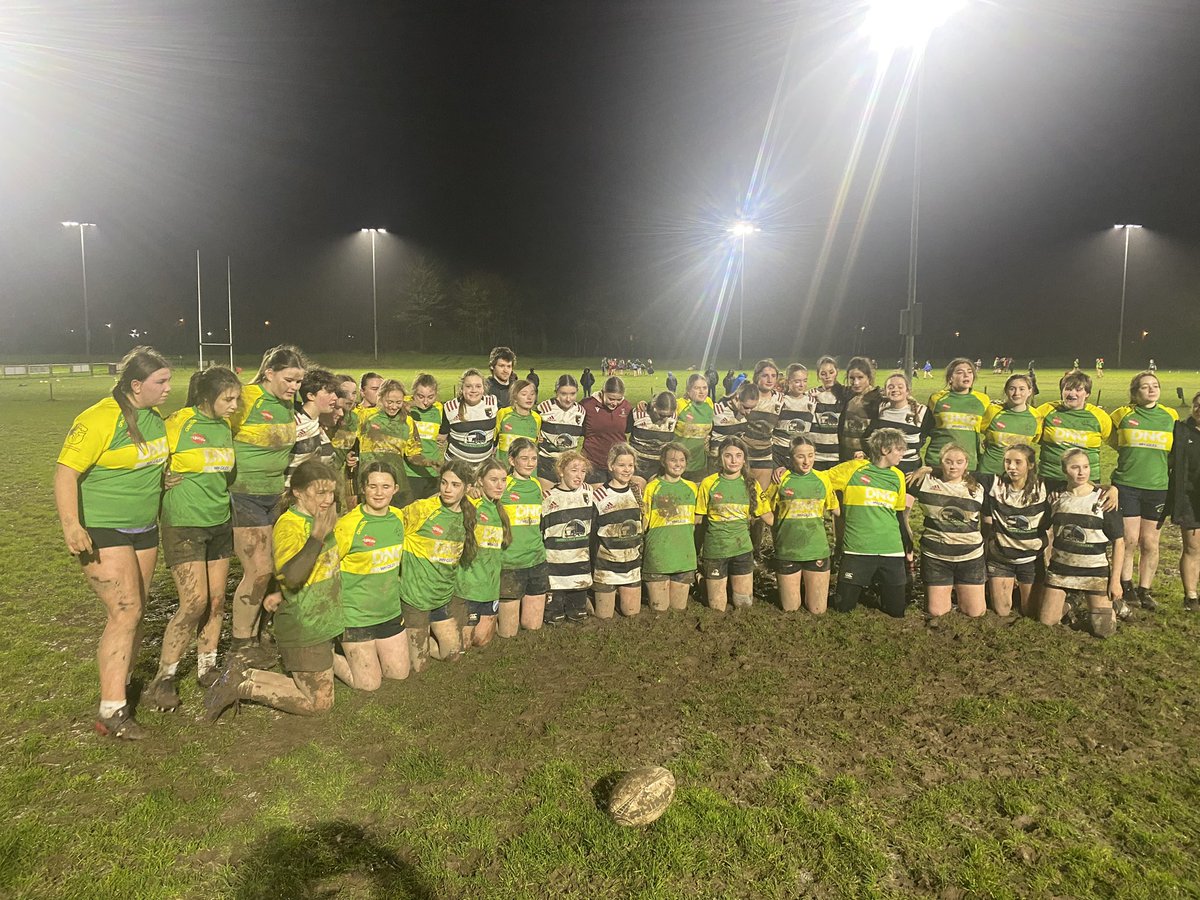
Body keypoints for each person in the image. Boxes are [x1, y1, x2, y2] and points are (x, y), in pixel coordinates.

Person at [56, 347, 171, 738]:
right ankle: (111, 710)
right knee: (125, 611)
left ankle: (119, 685)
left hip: (144, 528)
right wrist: (72, 525)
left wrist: (164, 479)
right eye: (161, 382)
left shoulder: (155, 419)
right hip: (103, 528)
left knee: (136, 611)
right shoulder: (99, 418)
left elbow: (151, 463)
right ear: (136, 385)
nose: (169, 388)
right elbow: (65, 473)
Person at [205, 459, 342, 721]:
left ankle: (241, 675)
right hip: (304, 628)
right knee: (319, 704)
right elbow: (291, 576)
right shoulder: (290, 525)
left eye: (331, 492)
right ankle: (241, 685)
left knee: (319, 694)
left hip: (323, 623)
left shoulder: (323, 520)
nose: (327, 500)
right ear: (298, 492)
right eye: (320, 492)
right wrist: (317, 537)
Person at [142, 366, 240, 712]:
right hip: (184, 524)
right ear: (205, 397)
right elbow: (148, 456)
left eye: (237, 399)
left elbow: (225, 473)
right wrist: (160, 477)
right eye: (228, 399)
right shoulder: (179, 421)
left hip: (219, 522)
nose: (234, 405)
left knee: (216, 602)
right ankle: (164, 677)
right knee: (194, 603)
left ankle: (207, 666)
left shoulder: (225, 426)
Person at [228, 344, 305, 668]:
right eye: (289, 379)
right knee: (258, 571)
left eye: (299, 381)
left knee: (271, 570)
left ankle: (259, 634)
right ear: (269, 373)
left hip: (276, 496)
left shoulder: (288, 404)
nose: (294, 387)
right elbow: (215, 429)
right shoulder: (245, 398)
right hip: (245, 494)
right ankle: (239, 643)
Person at [332, 461, 409, 691]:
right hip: (356, 617)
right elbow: (326, 568)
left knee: (399, 674)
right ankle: (321, 654)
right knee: (369, 684)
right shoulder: (348, 526)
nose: (379, 493)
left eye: (386, 487)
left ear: (395, 489)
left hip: (389, 612)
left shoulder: (399, 517)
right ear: (363, 488)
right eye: (372, 486)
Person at [398, 461, 477, 671]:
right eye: (444, 483)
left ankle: (415, 639)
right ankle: (403, 641)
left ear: (467, 488)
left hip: (441, 598)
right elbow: (391, 525)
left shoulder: (469, 513)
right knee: (419, 666)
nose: (447, 489)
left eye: (455, 485)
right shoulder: (423, 509)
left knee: (452, 655)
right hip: (414, 598)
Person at [1109, 371, 1178, 610]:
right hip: (1127, 486)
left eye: (1155, 386)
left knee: (1149, 542)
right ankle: (1126, 585)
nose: (1151, 390)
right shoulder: (1121, 415)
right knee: (1128, 540)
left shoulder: (1170, 416)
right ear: (1134, 392)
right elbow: (1113, 441)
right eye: (1145, 386)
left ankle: (1145, 590)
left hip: (1158, 488)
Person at [1039, 449, 1125, 638]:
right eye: (1075, 467)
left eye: (1085, 467)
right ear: (1064, 470)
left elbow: (1119, 542)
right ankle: (1072, 601)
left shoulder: (1104, 499)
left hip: (1094, 572)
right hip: (1061, 570)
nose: (1081, 472)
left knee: (1104, 631)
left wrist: (1116, 581)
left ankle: (1114, 604)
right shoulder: (1055, 496)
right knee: (1047, 622)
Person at [827, 428, 912, 618]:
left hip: (891, 549)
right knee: (843, 608)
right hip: (858, 548)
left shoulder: (898, 476)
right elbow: (819, 480)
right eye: (898, 449)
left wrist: (907, 542)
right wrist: (832, 505)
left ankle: (875, 586)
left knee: (896, 611)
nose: (902, 453)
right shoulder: (853, 469)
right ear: (884, 449)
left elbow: (898, 514)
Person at [695, 436, 773, 612]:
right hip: (716, 550)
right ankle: (703, 581)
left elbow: (767, 516)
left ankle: (725, 582)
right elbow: (698, 521)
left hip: (742, 550)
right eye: (728, 455)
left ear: (744, 459)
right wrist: (693, 551)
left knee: (744, 604)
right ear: (720, 458)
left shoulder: (751, 484)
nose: (733, 460)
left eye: (738, 455)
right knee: (717, 608)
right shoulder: (709, 483)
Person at [908, 444, 987, 619]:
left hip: (970, 557)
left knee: (976, 612)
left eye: (959, 462)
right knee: (937, 612)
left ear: (966, 463)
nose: (954, 466)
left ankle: (961, 591)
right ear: (940, 462)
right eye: (948, 461)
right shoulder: (924, 482)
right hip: (936, 556)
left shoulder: (979, 486)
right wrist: (925, 469)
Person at [766, 435, 839, 614]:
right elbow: (762, 507)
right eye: (800, 456)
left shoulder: (823, 479)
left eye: (811, 455)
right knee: (790, 608)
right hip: (788, 550)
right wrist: (778, 525)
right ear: (791, 457)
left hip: (816, 549)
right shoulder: (781, 479)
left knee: (818, 610)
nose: (807, 461)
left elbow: (836, 510)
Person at [981, 444, 1049, 617]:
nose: (1011, 467)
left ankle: (1024, 592)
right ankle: (1005, 587)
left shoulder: (1044, 486)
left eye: (1018, 462)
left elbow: (1078, 483)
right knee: (1002, 611)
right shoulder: (994, 483)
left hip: (1031, 559)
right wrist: (929, 469)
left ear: (1031, 465)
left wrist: (1113, 489)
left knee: (1031, 612)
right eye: (1007, 462)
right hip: (1001, 559)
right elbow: (959, 473)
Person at [456, 458, 511, 649]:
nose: (499, 485)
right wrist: (466, 492)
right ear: (479, 480)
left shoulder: (500, 509)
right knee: (463, 646)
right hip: (467, 587)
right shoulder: (469, 504)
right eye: (493, 480)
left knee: (482, 641)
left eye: (503, 480)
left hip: (490, 587)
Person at [497, 438, 550, 634]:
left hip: (536, 560)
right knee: (508, 633)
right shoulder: (503, 485)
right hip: (510, 563)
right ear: (511, 460)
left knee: (532, 626)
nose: (530, 463)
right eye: (524, 458)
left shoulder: (536, 485)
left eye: (534, 459)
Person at [641, 442, 699, 613]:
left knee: (678, 611)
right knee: (659, 611)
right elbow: (644, 522)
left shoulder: (692, 487)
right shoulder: (652, 487)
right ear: (663, 462)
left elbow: (697, 521)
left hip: (684, 556)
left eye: (682, 460)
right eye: (673, 460)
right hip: (658, 557)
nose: (678, 464)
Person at [542, 451, 597, 623]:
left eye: (583, 471)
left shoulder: (588, 493)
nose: (579, 475)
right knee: (554, 617)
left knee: (577, 615)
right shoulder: (547, 497)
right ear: (560, 470)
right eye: (574, 470)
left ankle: (580, 602)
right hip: (555, 567)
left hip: (579, 566)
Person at [1034, 370, 1112, 492]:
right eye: (1068, 389)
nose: (1072, 393)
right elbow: (1028, 434)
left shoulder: (1100, 417)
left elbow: (1116, 442)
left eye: (1078, 389)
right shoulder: (1046, 411)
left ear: (1087, 393)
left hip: (1086, 482)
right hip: (1051, 479)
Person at [592, 443, 644, 618]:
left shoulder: (638, 492)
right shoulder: (598, 495)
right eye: (621, 465)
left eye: (630, 465)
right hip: (606, 566)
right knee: (604, 617)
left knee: (631, 613)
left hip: (631, 564)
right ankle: (588, 597)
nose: (627, 470)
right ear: (610, 466)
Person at [1165, 391, 1200, 611]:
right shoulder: (1181, 430)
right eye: (1197, 404)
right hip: (1189, 497)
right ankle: (1191, 596)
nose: (1199, 407)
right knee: (1193, 547)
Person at [357, 378, 416, 507]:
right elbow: (347, 441)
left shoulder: (408, 422)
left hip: (397, 484)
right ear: (381, 398)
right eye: (389, 402)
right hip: (371, 483)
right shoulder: (365, 417)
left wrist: (431, 463)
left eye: (398, 402)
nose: (394, 406)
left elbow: (413, 454)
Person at [926, 358, 990, 471]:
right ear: (950, 378)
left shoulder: (983, 400)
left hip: (967, 464)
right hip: (937, 462)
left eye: (970, 372)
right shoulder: (936, 398)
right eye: (960, 372)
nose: (966, 375)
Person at [862, 373, 931, 476]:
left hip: (909, 470)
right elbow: (869, 434)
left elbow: (928, 435)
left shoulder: (922, 412)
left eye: (900, 387)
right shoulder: (880, 408)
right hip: (883, 468)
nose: (895, 389)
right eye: (890, 387)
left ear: (907, 391)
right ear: (885, 391)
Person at [978, 374, 1042, 476]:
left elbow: (1036, 440)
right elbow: (977, 432)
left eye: (1022, 389)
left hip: (1018, 475)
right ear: (1006, 391)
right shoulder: (993, 411)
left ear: (1030, 391)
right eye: (1012, 389)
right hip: (988, 472)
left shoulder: (1036, 417)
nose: (1017, 393)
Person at [285, 367, 339, 488]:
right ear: (311, 395)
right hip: (292, 495)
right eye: (329, 392)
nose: (335, 397)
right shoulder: (295, 424)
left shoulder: (317, 423)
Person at [439, 368, 499, 466]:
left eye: (478, 386)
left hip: (483, 466)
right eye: (468, 386)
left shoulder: (492, 403)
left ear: (483, 388)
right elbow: (441, 437)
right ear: (462, 389)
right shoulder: (450, 407)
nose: (474, 390)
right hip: (456, 466)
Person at [580, 376, 633, 484]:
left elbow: (628, 430)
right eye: (611, 399)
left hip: (618, 464)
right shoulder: (587, 405)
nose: (614, 403)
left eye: (619, 399)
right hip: (593, 462)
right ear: (602, 393)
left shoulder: (626, 407)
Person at [537, 374, 585, 488]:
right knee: (548, 500)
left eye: (572, 394)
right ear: (556, 392)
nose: (568, 399)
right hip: (547, 464)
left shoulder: (581, 411)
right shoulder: (544, 408)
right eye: (563, 394)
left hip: (569, 465)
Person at [744, 359, 785, 493]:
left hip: (765, 455)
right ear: (756, 377)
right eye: (765, 375)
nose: (770, 379)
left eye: (773, 376)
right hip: (744, 454)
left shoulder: (780, 399)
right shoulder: (746, 396)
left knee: (761, 497)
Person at [404, 373, 444, 502]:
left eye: (430, 397)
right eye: (420, 396)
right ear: (413, 393)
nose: (425, 402)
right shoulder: (403, 409)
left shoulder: (439, 409)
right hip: (409, 473)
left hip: (432, 473)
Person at [327, 375, 361, 508]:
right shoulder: (325, 415)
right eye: (345, 393)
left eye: (354, 393)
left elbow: (346, 445)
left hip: (337, 479)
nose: (351, 398)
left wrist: (347, 454)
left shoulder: (354, 419)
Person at [629, 390, 678, 482]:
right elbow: (625, 431)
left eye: (669, 415)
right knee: (638, 491)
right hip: (638, 464)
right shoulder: (639, 414)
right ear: (654, 406)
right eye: (661, 415)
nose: (665, 418)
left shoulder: (675, 416)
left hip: (659, 466)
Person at [674, 373, 715, 482]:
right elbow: (659, 406)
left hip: (700, 465)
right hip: (677, 465)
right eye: (697, 388)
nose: (702, 391)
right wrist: (644, 404)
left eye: (704, 388)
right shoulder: (679, 404)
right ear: (688, 390)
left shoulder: (710, 404)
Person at [773, 364, 814, 469]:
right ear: (788, 382)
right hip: (779, 455)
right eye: (797, 381)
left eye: (805, 381)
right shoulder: (781, 400)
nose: (802, 385)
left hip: (799, 458)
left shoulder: (812, 402)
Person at [709, 382, 758, 470]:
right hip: (718, 463)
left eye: (752, 408)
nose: (749, 412)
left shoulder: (748, 414)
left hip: (737, 462)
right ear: (736, 398)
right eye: (746, 407)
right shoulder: (717, 410)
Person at [809, 356, 845, 470]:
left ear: (837, 372)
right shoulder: (811, 395)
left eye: (831, 372)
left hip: (837, 457)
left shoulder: (845, 394)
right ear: (818, 375)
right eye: (823, 373)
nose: (827, 376)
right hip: (816, 457)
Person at [495, 378, 541, 454]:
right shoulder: (503, 413)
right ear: (515, 397)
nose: (529, 398)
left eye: (532, 394)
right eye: (524, 394)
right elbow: (492, 438)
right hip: (503, 464)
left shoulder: (537, 418)